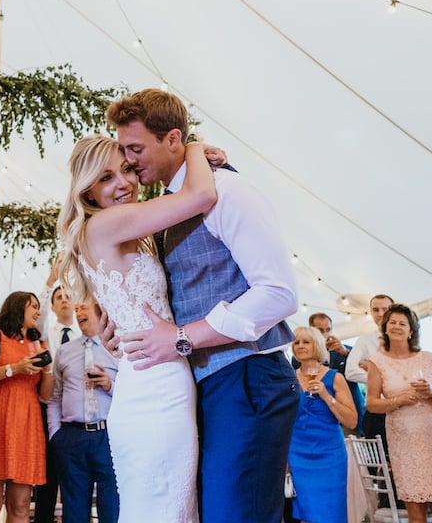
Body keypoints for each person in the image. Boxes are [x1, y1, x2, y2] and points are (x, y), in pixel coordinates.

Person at [105, 90, 298, 523]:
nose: (130, 162)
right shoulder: (168, 207)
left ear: (173, 139)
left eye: (135, 149)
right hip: (203, 386)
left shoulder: (228, 192)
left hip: (248, 378)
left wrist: (180, 338)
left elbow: (279, 293)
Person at [56, 134, 217, 522]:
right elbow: (202, 197)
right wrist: (193, 147)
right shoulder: (108, 223)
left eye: (127, 169)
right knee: (165, 507)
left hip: (146, 376)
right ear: (88, 191)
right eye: (107, 177)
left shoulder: (117, 231)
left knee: (160, 505)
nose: (124, 183)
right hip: (157, 386)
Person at [364, 304, 432, 523]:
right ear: (385, 329)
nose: (397, 326)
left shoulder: (427, 358)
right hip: (404, 441)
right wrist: (399, 400)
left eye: (403, 323)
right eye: (392, 323)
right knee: (415, 511)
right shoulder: (376, 362)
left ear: (411, 331)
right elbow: (371, 404)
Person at [0, 291, 52, 523]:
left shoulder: (38, 344)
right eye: (33, 306)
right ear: (17, 308)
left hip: (26, 427)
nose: (37, 311)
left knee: (21, 505)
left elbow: (45, 394)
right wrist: (14, 369)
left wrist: (49, 367)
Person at [45, 300, 119, 523]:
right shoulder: (64, 351)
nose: (78, 313)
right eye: (76, 309)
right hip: (71, 438)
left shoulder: (117, 349)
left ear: (99, 310)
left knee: (112, 509)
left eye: (83, 307)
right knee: (74, 512)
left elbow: (133, 396)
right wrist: (55, 433)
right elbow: (55, 397)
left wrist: (110, 385)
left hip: (108, 437)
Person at [287, 327, 357, 523]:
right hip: (298, 454)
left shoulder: (335, 377)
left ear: (316, 345)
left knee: (330, 513)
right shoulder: (287, 378)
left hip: (329, 455)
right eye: (296, 342)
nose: (300, 346)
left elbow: (351, 420)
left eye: (305, 342)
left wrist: (327, 397)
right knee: (305, 514)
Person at [33, 267, 76, 523]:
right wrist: (51, 281)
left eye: (67, 296)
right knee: (47, 479)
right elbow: (39, 318)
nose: (63, 300)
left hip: (76, 411)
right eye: (58, 297)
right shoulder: (46, 334)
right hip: (47, 405)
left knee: (73, 479)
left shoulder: (85, 335)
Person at [344, 294, 394, 443]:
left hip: (404, 410)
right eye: (375, 310)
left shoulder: (406, 338)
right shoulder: (365, 340)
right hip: (377, 411)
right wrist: (379, 379)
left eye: (385, 309)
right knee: (379, 463)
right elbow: (351, 372)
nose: (380, 314)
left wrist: (371, 368)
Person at [306, 312, 364, 435]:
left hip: (348, 415)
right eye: (320, 330)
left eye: (328, 330)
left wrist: (345, 352)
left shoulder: (347, 351)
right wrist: (319, 352)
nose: (325, 334)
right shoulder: (303, 356)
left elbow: (363, 370)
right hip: (318, 418)